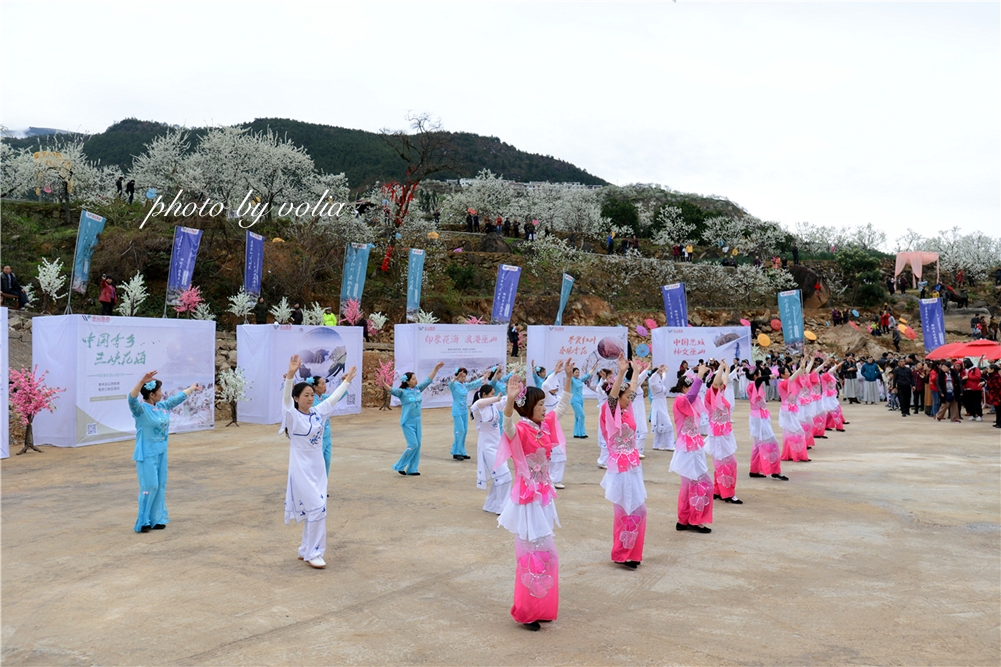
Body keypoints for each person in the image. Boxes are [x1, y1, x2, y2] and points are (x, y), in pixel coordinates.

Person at [496, 359, 573, 631]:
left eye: (543, 404)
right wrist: (509, 400)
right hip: (528, 499)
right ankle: (526, 611)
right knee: (532, 554)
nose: (544, 408)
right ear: (529, 408)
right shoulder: (521, 430)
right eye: (540, 404)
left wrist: (567, 378)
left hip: (543, 497)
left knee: (546, 556)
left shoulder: (544, 427)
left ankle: (540, 607)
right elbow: (506, 426)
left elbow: (562, 407)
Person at [280, 355, 356, 568]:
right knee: (317, 508)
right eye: (305, 395)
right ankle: (314, 553)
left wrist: (347, 380)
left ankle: (305, 549)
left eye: (312, 395)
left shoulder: (317, 412)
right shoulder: (292, 417)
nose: (310, 398)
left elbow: (333, 399)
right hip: (301, 469)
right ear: (296, 398)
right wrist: (291, 377)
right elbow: (286, 401)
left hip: (318, 468)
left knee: (315, 509)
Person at [127, 370, 203, 533]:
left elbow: (176, 399)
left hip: (161, 452)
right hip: (147, 453)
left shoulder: (162, 407)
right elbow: (131, 398)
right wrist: (141, 382)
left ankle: (157, 519)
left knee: (160, 485)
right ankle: (144, 520)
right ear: (152, 395)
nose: (162, 394)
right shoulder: (140, 410)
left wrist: (190, 389)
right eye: (159, 392)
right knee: (150, 486)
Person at [598, 355, 647, 568]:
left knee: (639, 510)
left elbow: (632, 391)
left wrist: (635, 371)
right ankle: (621, 552)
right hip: (619, 467)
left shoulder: (628, 410)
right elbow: (614, 396)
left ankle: (633, 552)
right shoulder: (610, 411)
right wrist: (620, 373)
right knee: (624, 511)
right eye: (626, 397)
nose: (630, 399)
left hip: (633, 466)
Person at [669, 363, 714, 533]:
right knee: (700, 483)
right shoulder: (681, 400)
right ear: (683, 387)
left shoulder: (685, 400)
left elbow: (694, 395)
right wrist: (700, 376)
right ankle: (694, 520)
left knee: (690, 485)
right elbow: (693, 395)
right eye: (690, 385)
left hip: (692, 446)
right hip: (688, 449)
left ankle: (684, 520)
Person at [384, 362, 444, 475]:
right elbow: (391, 390)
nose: (416, 381)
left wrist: (436, 369)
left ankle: (412, 469)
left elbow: (428, 380)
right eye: (413, 379)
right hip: (407, 422)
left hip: (417, 421)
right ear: (407, 381)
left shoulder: (417, 389)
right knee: (413, 444)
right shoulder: (402, 392)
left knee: (418, 445)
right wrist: (383, 383)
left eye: (416, 379)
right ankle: (399, 466)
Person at [471, 384, 512, 514]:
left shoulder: (494, 405)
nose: (494, 396)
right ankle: (502, 508)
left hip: (498, 444)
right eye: (491, 394)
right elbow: (478, 403)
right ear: (484, 395)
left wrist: (514, 391)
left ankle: (491, 505)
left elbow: (506, 401)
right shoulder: (478, 408)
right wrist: (496, 399)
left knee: (499, 477)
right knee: (505, 476)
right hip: (487, 446)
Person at [705, 361, 741, 504]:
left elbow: (723, 380)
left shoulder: (720, 392)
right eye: (719, 383)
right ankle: (727, 492)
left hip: (724, 433)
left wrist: (726, 369)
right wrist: (720, 368)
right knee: (729, 463)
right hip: (718, 434)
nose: (722, 385)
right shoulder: (711, 394)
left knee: (722, 463)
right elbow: (716, 383)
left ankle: (718, 490)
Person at [746, 367, 786, 480]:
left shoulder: (753, 385)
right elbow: (759, 380)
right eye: (759, 374)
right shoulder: (754, 384)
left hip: (758, 417)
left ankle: (754, 470)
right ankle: (774, 470)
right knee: (772, 443)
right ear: (755, 376)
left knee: (757, 445)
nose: (761, 375)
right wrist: (769, 376)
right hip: (759, 418)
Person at [449, 367, 489, 460]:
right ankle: (456, 451)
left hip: (464, 410)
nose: (463, 378)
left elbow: (473, 384)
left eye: (464, 376)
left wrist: (483, 377)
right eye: (461, 376)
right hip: (457, 411)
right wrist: (455, 378)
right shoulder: (454, 385)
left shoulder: (464, 385)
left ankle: (462, 451)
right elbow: (449, 384)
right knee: (460, 431)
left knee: (465, 431)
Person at [310, 376, 346, 476]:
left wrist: (345, 382)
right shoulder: (311, 401)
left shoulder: (324, 398)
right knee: (318, 464)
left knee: (327, 462)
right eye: (322, 383)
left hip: (327, 436)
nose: (324, 386)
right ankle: (316, 488)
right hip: (317, 437)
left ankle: (323, 488)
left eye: (324, 383)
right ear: (315, 387)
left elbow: (337, 396)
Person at [541, 364, 568, 489]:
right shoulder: (545, 396)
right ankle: (550, 478)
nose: (556, 388)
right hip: (546, 426)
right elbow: (545, 386)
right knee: (550, 452)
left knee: (560, 453)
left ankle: (555, 479)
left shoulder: (556, 397)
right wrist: (554, 373)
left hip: (555, 426)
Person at [778, 362, 810, 462]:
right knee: (797, 431)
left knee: (791, 432)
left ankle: (791, 454)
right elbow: (793, 377)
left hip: (790, 410)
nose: (788, 372)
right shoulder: (783, 383)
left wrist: (804, 366)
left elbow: (803, 374)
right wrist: (800, 368)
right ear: (782, 374)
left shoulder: (788, 382)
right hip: (787, 410)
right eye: (787, 371)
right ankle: (796, 454)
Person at [648, 365, 675, 451]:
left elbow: (663, 379)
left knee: (660, 426)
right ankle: (669, 445)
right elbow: (652, 378)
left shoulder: (660, 383)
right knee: (668, 425)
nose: (660, 374)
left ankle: (657, 444)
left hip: (663, 405)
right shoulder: (653, 383)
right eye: (658, 372)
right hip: (658, 406)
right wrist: (657, 371)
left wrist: (664, 372)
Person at [570, 364, 592, 438]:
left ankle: (576, 433)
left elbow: (587, 375)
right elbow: (568, 376)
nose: (577, 373)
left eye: (578, 372)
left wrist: (594, 368)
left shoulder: (579, 380)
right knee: (582, 415)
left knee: (577, 416)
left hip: (581, 400)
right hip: (574, 400)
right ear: (572, 373)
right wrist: (570, 369)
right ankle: (582, 433)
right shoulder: (571, 379)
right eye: (576, 372)